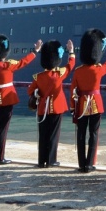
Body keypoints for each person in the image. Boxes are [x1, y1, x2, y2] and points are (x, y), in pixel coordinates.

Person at [0, 35, 41, 165]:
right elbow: (23, 62)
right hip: (6, 100)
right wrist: (35, 51)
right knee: (2, 130)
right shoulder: (7, 65)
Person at [70, 29, 106, 173]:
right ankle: (90, 164)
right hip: (96, 105)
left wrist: (73, 108)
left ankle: (81, 164)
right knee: (93, 135)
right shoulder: (98, 69)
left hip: (81, 106)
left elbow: (73, 91)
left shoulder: (78, 71)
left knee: (81, 135)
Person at [28, 39, 75, 168]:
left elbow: (30, 90)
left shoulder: (39, 77)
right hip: (56, 108)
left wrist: (38, 93)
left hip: (43, 109)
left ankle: (41, 161)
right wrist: (71, 51)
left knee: (43, 135)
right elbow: (70, 65)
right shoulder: (58, 74)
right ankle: (51, 160)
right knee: (53, 135)